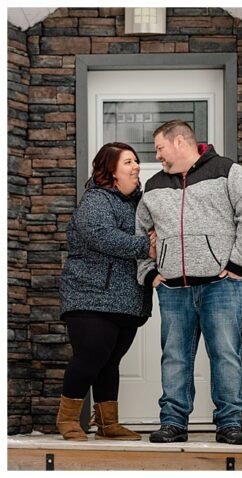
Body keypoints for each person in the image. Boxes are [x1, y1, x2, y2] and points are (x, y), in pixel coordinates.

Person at [136, 120, 242, 445]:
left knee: (225, 354)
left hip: (220, 284)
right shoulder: (153, 186)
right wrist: (149, 273)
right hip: (174, 288)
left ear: (180, 142)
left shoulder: (227, 171)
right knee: (174, 356)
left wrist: (238, 262)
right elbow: (141, 233)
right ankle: (173, 422)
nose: (157, 155)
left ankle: (230, 423)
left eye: (160, 148)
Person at [57, 142, 157, 441]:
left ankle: (107, 423)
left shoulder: (140, 204)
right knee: (90, 356)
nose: (136, 166)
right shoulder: (97, 200)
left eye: (136, 161)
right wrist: (145, 245)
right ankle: (67, 420)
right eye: (128, 162)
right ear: (110, 170)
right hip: (92, 296)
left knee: (109, 361)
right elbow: (102, 236)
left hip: (126, 299)